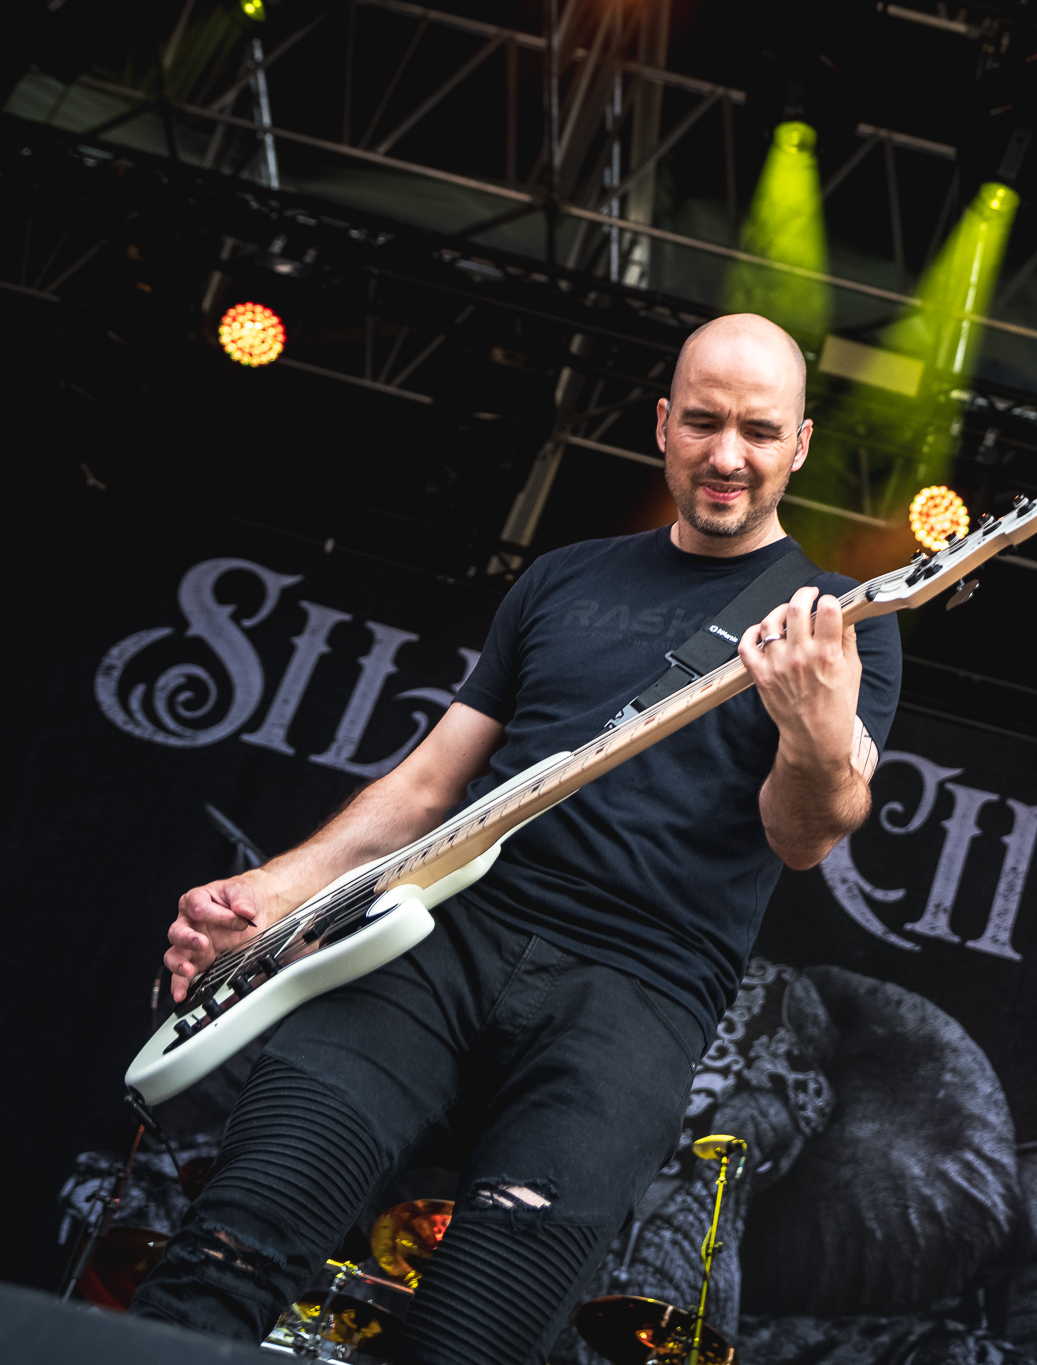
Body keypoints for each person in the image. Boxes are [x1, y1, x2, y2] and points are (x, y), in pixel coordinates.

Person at [128, 313, 903, 1365]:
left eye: (758, 433)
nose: (729, 457)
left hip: (639, 993)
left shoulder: (836, 628)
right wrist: (270, 894)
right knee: (227, 1245)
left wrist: (814, 734)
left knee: (476, 1342)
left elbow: (802, 837)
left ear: (799, 445)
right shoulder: (565, 579)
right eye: (706, 424)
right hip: (439, 940)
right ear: (663, 426)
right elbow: (430, 784)